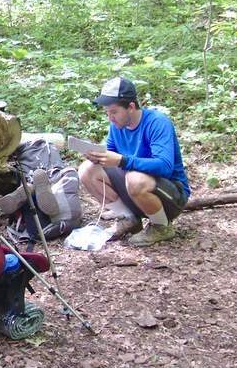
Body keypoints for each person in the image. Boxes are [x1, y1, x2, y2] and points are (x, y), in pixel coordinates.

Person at [78, 76, 190, 246]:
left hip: (171, 195)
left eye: (114, 112)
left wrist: (122, 160)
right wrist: (98, 157)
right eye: (107, 112)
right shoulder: (117, 127)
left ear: (131, 107)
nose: (110, 118)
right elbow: (112, 159)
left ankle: (161, 227)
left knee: (135, 178)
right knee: (87, 170)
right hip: (136, 190)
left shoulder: (157, 122)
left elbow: (165, 166)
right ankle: (129, 219)